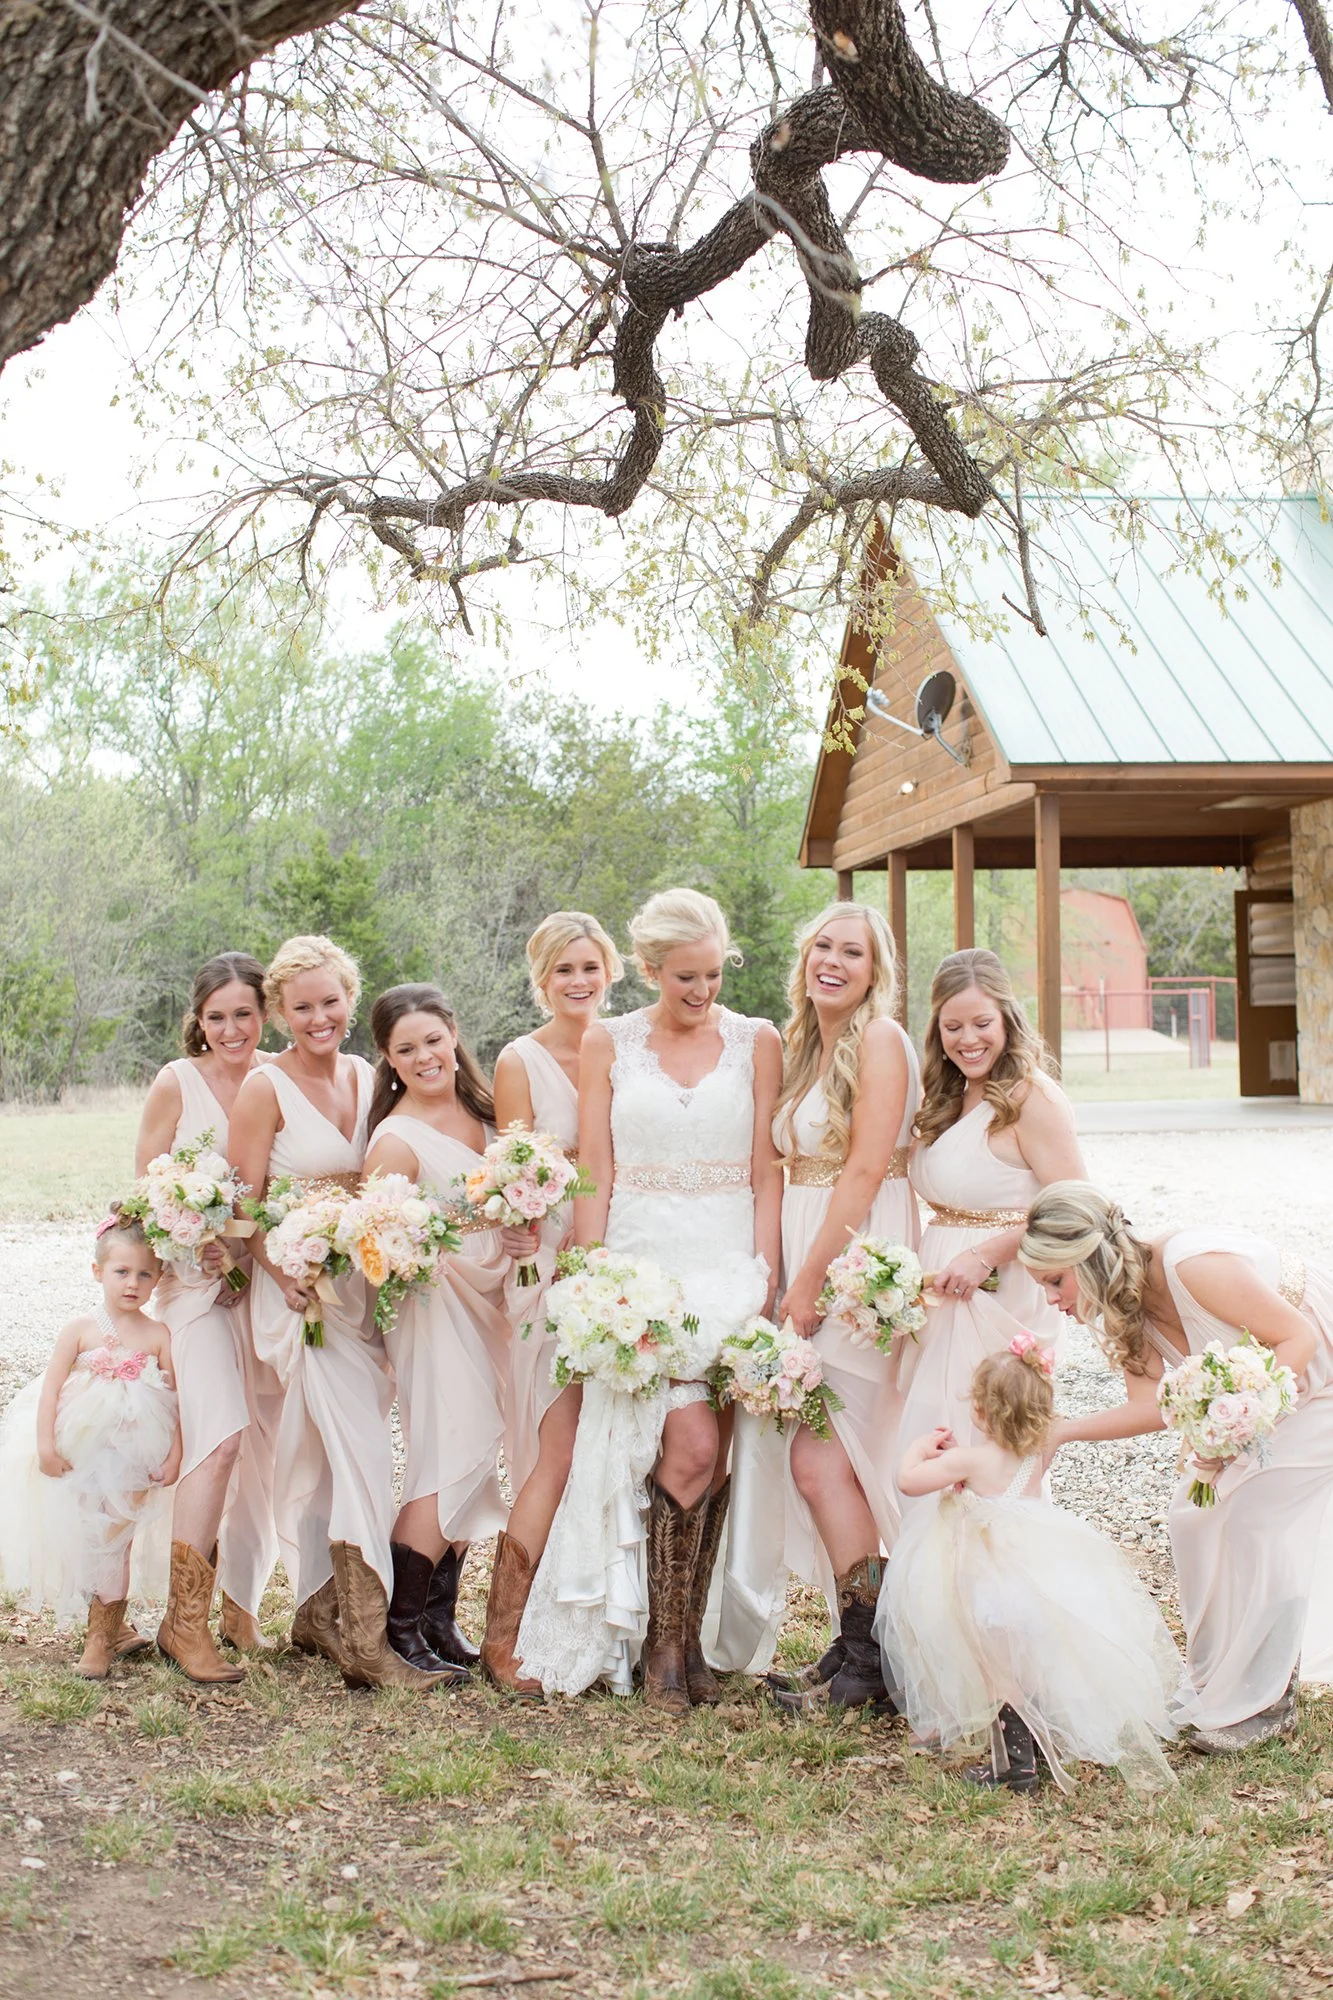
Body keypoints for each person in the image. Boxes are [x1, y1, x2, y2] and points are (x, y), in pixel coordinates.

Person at [517, 887, 784, 1712]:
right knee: (680, 1448)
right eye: (683, 979)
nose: (701, 993)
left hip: (726, 1264)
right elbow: (594, 1162)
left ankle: (689, 1642)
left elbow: (764, 1166)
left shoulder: (757, 1040)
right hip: (641, 1267)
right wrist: (588, 1268)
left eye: (711, 975)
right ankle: (661, 1648)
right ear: (648, 970)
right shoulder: (609, 1042)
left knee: (713, 1455)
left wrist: (765, 1275)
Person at [1019, 1182, 1333, 1752]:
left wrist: (1240, 1422)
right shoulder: (1125, 1313)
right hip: (1261, 1395)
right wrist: (1059, 1431)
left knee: (1255, 1517)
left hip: (1321, 1375)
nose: (1051, 1301)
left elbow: (1299, 1337)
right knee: (1193, 1514)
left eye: (1055, 1281)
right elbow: (1149, 1407)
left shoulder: (1194, 1265)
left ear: (1091, 1258)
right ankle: (1219, 1677)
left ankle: (1269, 1693)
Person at [230, 934, 443, 1691]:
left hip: (366, 1292)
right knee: (359, 1453)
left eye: (331, 1001)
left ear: (351, 1000)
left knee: (331, 1457)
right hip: (302, 1297)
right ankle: (366, 1640)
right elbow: (241, 1205)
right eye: (302, 1006)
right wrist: (277, 1270)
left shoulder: (368, 1073)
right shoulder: (265, 1088)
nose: (319, 1017)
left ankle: (318, 1610)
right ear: (280, 1013)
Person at [879, 1338, 1179, 1794]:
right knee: (1029, 1669)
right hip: (1035, 1585)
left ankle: (1015, 1766)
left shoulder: (968, 1460)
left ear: (980, 1411)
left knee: (998, 1676)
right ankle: (1035, 1742)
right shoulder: (1036, 1455)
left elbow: (908, 1480)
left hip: (987, 1592)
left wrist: (920, 1448)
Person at [769, 901, 921, 1713]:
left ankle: (875, 1649)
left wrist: (807, 1284)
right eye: (822, 945)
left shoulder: (881, 1042)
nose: (832, 961)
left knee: (833, 1453)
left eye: (851, 952)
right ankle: (865, 1646)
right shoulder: (802, 1047)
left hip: (856, 1262)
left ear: (874, 970)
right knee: (828, 1456)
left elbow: (862, 1174)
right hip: (808, 1249)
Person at [362, 983, 526, 1683]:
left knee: (476, 1448)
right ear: (388, 1060)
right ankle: (397, 1630)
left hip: (491, 1303)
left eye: (433, 1039)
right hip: (431, 1307)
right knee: (446, 1453)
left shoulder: (488, 1112)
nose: (425, 1056)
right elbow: (377, 1250)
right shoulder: (395, 1142)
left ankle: (436, 1620)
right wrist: (456, 1239)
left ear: (454, 1033)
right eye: (407, 1048)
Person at [486, 911, 624, 1695]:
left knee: (615, 1443)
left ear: (610, 971)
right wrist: (524, 1226)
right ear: (542, 978)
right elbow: (510, 1169)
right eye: (563, 970)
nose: (578, 982)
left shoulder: (629, 1048)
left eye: (590, 967)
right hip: (549, 1258)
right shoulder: (521, 1060)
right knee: (555, 1443)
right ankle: (503, 1637)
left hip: (623, 1255)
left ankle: (597, 1625)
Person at [136, 950, 279, 1683]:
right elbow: (144, 1196)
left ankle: (241, 1607)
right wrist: (196, 1237)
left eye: (243, 1015)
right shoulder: (176, 1082)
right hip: (195, 1293)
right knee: (218, 1441)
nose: (231, 1029)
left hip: (271, 1292)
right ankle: (180, 1623)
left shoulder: (281, 1078)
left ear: (265, 1014)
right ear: (199, 1020)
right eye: (216, 1016)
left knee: (262, 1454)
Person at [901, 949, 1085, 1456]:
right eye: (952, 1026)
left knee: (988, 1444)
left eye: (982, 1023)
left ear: (1007, 1018)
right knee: (932, 1440)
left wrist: (984, 1255)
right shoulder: (944, 1098)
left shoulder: (1032, 1098)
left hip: (1004, 1290)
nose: (968, 1039)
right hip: (940, 1288)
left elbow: (1076, 1206)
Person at [0, 1212, 179, 1680]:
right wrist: (45, 1446)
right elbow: (51, 1390)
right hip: (81, 1452)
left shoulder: (159, 1334)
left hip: (135, 1455)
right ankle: (111, 1626)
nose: (132, 1283)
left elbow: (175, 1401)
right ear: (98, 1271)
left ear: (159, 1278)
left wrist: (174, 1454)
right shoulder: (79, 1330)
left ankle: (99, 1643)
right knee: (84, 1537)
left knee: (115, 1542)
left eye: (145, 1274)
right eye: (121, 1272)